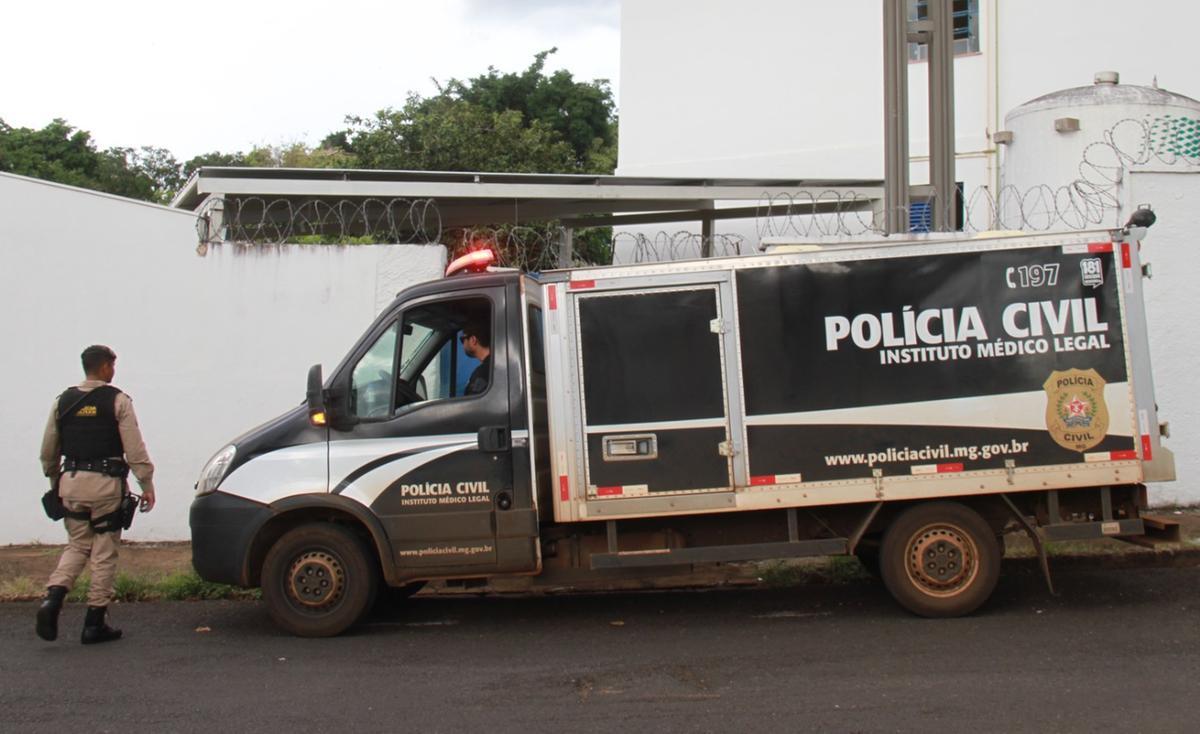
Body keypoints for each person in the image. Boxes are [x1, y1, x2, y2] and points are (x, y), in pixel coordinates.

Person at [36, 345, 156, 644]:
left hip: (71, 483)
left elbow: (49, 450)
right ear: (105, 368)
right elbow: (134, 449)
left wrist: (55, 482)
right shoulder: (118, 401)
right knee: (104, 552)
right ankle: (94, 622)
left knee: (77, 545)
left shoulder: (62, 402)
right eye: (112, 366)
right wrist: (147, 484)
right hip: (105, 485)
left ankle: (53, 598)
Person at [461, 323, 491, 396]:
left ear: (473, 340)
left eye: (462, 339)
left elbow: (470, 405)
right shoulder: (497, 364)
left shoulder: (482, 373)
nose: (462, 344)